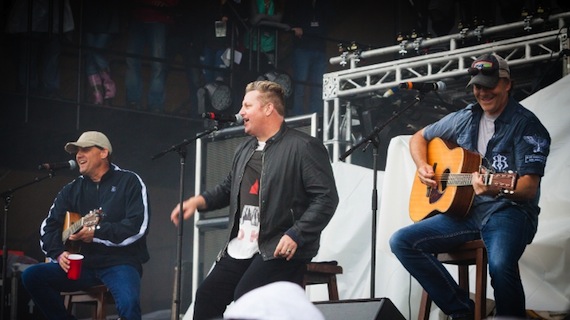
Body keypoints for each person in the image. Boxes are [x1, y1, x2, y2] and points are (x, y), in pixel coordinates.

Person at [389, 53, 551, 319]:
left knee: (499, 264)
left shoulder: (528, 127)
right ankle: (463, 312)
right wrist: (422, 166)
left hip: (509, 211)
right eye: (477, 85)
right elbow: (419, 138)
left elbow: (528, 188)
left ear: (507, 83)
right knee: (402, 241)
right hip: (465, 212)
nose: (482, 92)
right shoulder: (464, 117)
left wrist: (496, 188)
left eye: (489, 85)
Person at [170, 80, 339, 320]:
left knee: (247, 297)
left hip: (277, 247)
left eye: (247, 106)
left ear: (268, 109)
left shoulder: (303, 146)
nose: (241, 113)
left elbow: (326, 198)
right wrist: (197, 202)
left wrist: (296, 234)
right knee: (207, 296)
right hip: (241, 247)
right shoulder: (245, 149)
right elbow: (229, 188)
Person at [21, 131, 151, 320]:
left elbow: (138, 226)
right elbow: (48, 228)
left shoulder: (129, 181)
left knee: (129, 304)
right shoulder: (71, 189)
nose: (78, 155)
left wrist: (96, 233)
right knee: (31, 276)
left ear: (104, 153)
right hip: (82, 265)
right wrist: (59, 253)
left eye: (85, 150)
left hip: (120, 263)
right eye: (77, 151)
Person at [125, 0, 179, 112]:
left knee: (157, 64)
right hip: (138, 16)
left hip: (158, 19)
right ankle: (134, 101)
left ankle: (155, 104)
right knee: (132, 60)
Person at [284, 0, 334, 116]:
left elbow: (330, 18)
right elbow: (287, 19)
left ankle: (316, 117)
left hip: (320, 47)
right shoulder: (297, 3)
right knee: (299, 86)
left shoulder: (324, 3)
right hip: (302, 47)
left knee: (318, 86)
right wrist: (294, 28)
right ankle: (297, 118)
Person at [82, 0, 121, 105]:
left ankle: (107, 84)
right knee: (91, 55)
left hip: (107, 16)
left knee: (95, 52)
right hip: (89, 15)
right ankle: (97, 91)